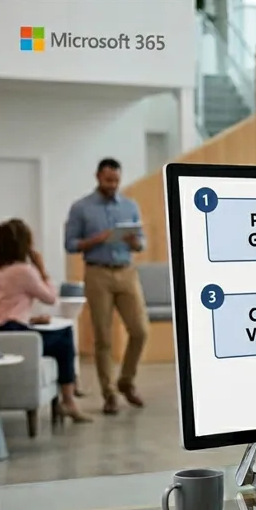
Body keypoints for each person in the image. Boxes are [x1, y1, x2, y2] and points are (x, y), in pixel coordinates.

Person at [64, 158, 149, 415]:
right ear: (98, 177)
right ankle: (109, 393)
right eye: (107, 180)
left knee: (140, 330)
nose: (112, 185)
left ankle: (126, 381)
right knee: (103, 337)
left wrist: (135, 242)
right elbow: (70, 244)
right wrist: (96, 239)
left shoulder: (130, 206)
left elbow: (141, 243)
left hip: (126, 272)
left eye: (116, 180)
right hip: (97, 273)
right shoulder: (81, 208)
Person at [0, 219, 93, 422]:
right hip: (15, 332)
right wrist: (41, 268)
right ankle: (69, 401)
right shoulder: (24, 271)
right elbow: (50, 298)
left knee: (55, 336)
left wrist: (30, 319)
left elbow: (2, 309)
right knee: (65, 336)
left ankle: (69, 396)